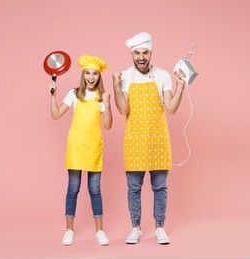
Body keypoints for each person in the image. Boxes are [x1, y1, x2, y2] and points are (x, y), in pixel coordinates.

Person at [112, 32, 186, 245]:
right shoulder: (125, 76)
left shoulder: (162, 75)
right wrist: (116, 86)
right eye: (137, 53)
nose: (141, 57)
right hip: (134, 140)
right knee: (134, 188)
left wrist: (181, 86)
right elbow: (123, 109)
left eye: (145, 52)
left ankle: (159, 227)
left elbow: (171, 108)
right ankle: (135, 227)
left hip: (158, 140)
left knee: (160, 187)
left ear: (151, 53)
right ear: (131, 54)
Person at [49, 55, 112, 246]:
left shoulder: (102, 97)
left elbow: (108, 125)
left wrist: (107, 105)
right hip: (76, 146)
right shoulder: (74, 94)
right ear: (83, 75)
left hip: (94, 147)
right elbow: (56, 114)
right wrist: (53, 95)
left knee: (95, 189)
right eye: (88, 73)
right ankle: (69, 230)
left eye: (95, 74)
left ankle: (100, 231)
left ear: (99, 77)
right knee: (73, 188)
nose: (91, 77)